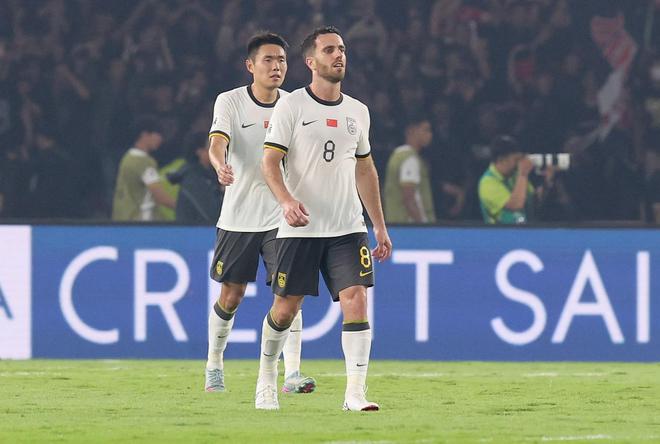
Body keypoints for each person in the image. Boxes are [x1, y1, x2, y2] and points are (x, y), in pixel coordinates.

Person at [256, 26, 392, 411]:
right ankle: (266, 380)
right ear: (311, 62)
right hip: (300, 227)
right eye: (330, 50)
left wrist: (379, 225)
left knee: (356, 299)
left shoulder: (358, 111)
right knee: (286, 308)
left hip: (347, 227)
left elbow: (365, 169)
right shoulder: (291, 107)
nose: (339, 55)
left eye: (342, 49)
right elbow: (269, 162)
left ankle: (355, 394)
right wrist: (285, 201)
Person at [205, 32, 315, 395]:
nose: (276, 66)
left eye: (281, 60)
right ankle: (214, 365)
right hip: (238, 215)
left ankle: (292, 373)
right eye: (268, 59)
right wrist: (220, 165)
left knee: (290, 293)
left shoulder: (295, 105)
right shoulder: (231, 101)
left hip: (281, 216)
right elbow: (217, 141)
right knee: (231, 295)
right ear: (250, 66)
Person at [112, 116, 175, 221]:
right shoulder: (144, 162)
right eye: (158, 134)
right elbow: (160, 196)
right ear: (144, 135)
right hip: (142, 221)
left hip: (123, 219)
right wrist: (182, 208)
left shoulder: (127, 158)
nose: (160, 139)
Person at [383, 116, 436, 223]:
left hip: (395, 224)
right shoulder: (409, 159)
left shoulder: (396, 156)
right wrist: (422, 226)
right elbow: (409, 197)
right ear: (411, 130)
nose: (430, 135)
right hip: (410, 225)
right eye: (426, 130)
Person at [478, 135, 535, 224]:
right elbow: (515, 205)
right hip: (501, 231)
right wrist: (523, 174)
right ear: (501, 159)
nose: (519, 164)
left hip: (524, 229)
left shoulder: (515, 175)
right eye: (516, 160)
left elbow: (533, 200)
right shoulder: (487, 183)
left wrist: (548, 181)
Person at [167, 132, 221, 224]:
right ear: (200, 152)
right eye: (212, 147)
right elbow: (211, 214)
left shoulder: (210, 175)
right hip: (193, 230)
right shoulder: (193, 178)